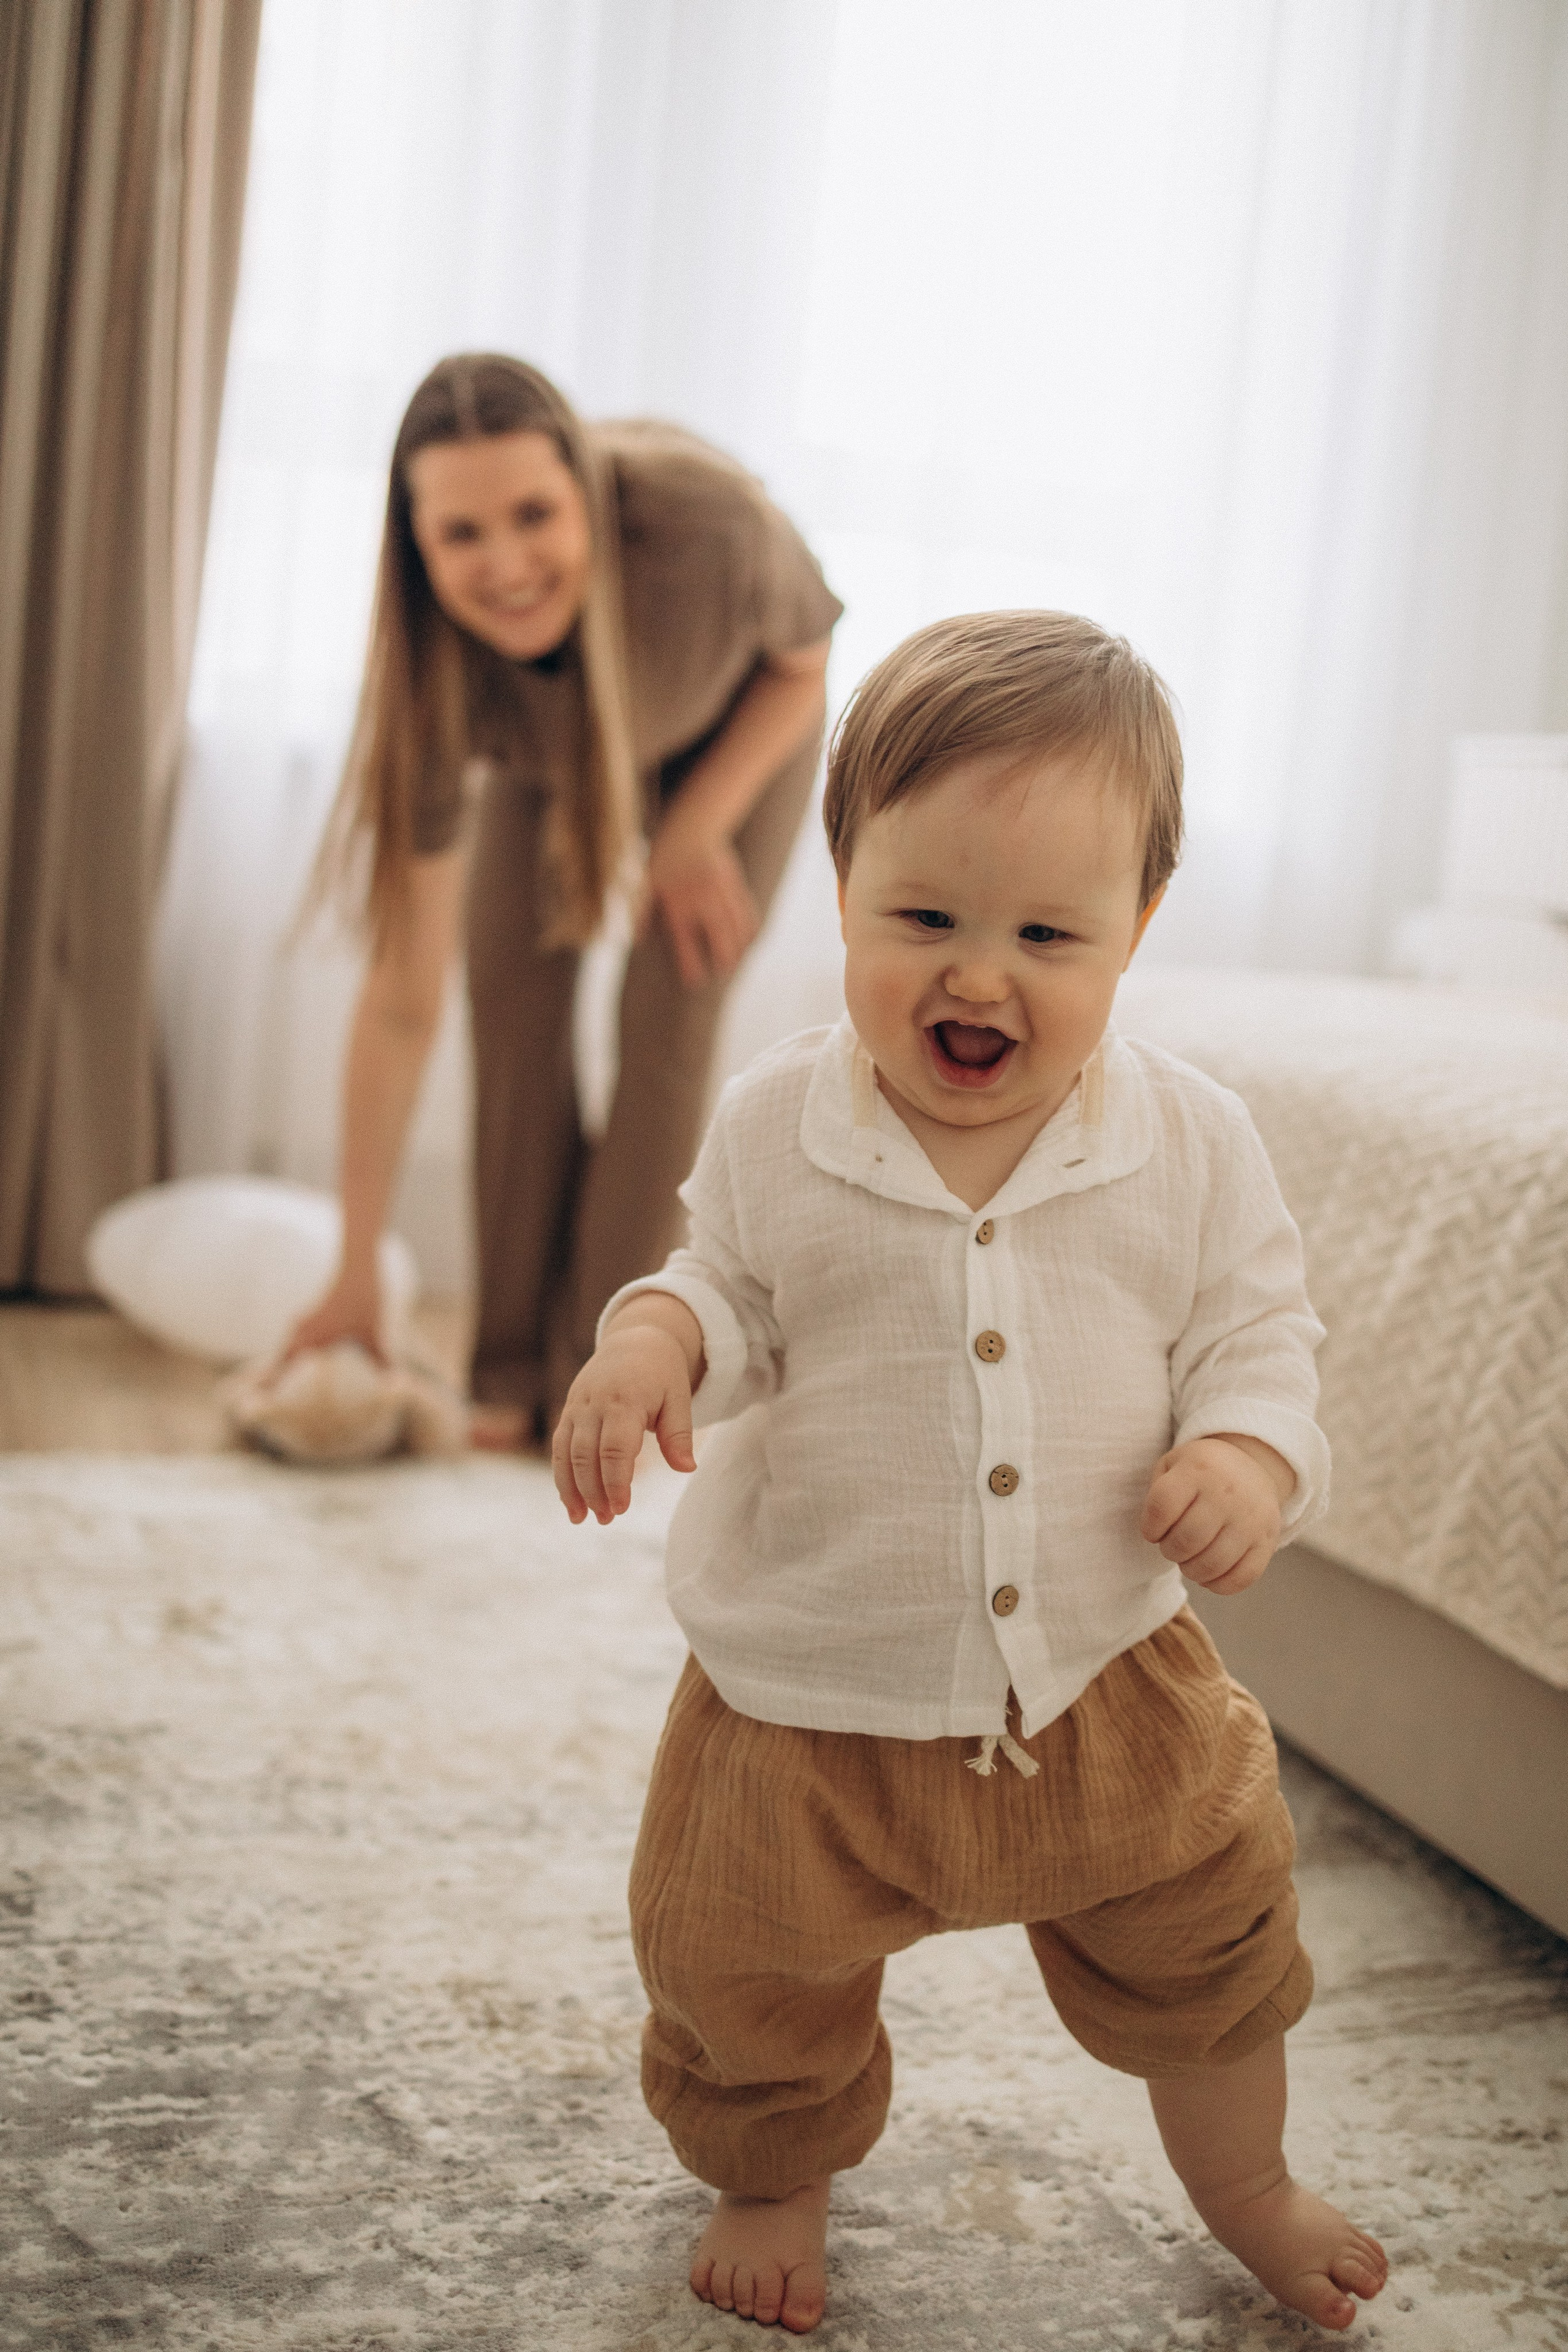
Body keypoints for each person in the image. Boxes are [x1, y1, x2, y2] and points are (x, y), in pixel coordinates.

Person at [552, 612, 1390, 2335]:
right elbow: (723, 1286)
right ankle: (776, 2176)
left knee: (1220, 1938)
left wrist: (1247, 1448)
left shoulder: (1196, 1143)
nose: (976, 977)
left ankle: (1247, 2183)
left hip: (1100, 1680)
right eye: (922, 919)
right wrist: (654, 1344)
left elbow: (1261, 1337)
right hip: (808, 1697)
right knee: (738, 1960)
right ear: (844, 886)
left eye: (1046, 934)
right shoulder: (784, 1121)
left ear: (1139, 929)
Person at [289, 354, 842, 1441]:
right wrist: (354, 1269)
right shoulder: (433, 689)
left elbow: (803, 661)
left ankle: (598, 1375)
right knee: (507, 995)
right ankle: (503, 1372)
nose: (505, 566)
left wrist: (692, 829)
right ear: (417, 544)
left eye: (534, 514)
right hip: (550, 757)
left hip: (727, 728)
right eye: (461, 535)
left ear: (586, 493)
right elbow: (404, 998)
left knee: (667, 1016)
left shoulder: (711, 531)